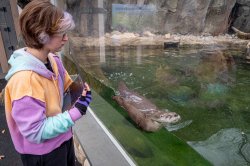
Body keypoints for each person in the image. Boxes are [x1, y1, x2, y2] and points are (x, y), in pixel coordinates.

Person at [4, 0, 92, 165]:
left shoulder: (53, 59)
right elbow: (35, 132)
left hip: (62, 138)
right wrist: (76, 112)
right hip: (42, 153)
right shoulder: (25, 81)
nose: (66, 38)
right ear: (41, 34)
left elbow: (64, 86)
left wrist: (79, 91)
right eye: (61, 33)